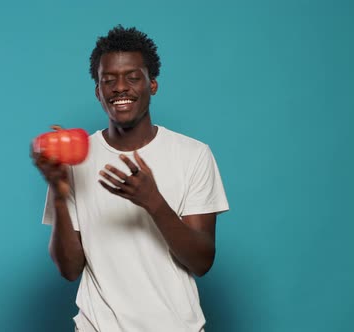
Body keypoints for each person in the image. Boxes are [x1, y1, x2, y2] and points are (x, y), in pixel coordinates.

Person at [32, 25, 229, 332]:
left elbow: (202, 262)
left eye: (133, 77)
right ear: (98, 92)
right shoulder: (73, 161)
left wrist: (154, 203)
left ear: (152, 85)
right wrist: (58, 193)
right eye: (108, 80)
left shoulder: (193, 155)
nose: (119, 87)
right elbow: (69, 270)